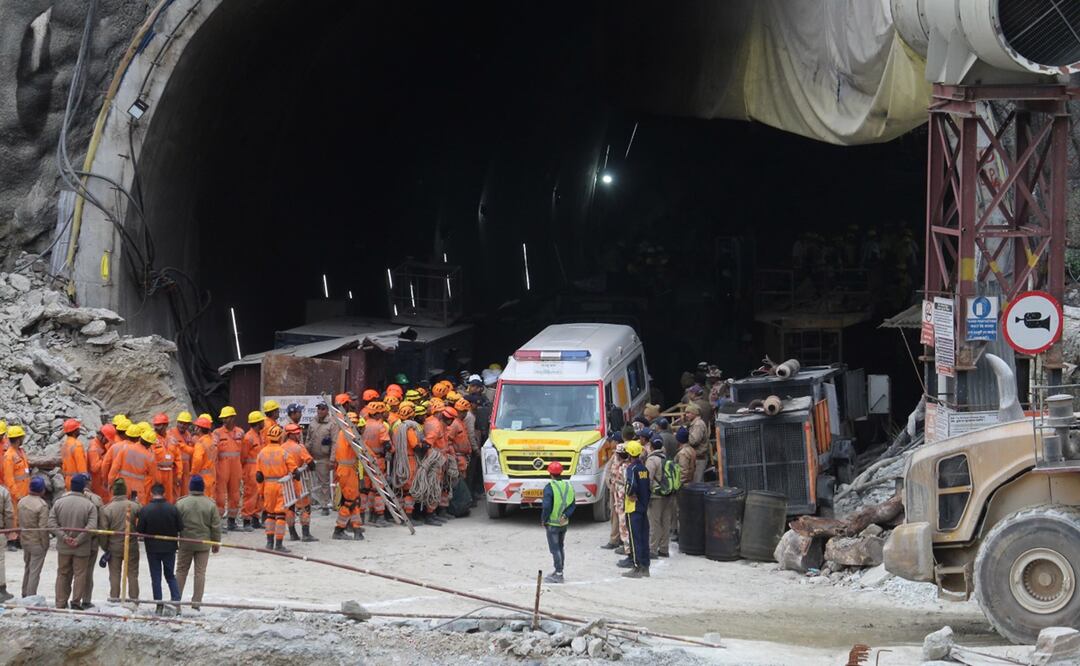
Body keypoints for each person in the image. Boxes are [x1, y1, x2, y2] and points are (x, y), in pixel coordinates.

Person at [48, 473, 98, 609]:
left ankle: (60, 602)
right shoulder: (89, 505)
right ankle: (76, 602)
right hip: (82, 548)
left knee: (63, 574)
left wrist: (64, 537)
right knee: (80, 575)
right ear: (84, 488)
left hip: (64, 547)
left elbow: (51, 523)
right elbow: (92, 527)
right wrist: (78, 539)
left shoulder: (59, 502)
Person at [175, 474, 221, 611]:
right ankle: (196, 604)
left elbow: (175, 524)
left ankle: (176, 601)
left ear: (190, 487)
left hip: (185, 542)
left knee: (181, 571)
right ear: (203, 488)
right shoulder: (210, 504)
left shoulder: (181, 503)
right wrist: (216, 543)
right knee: (200, 573)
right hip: (203, 544)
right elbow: (216, 526)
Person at [136, 483, 182, 616]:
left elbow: (140, 530)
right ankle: (176, 602)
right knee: (170, 576)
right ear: (164, 493)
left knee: (155, 577)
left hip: (152, 549)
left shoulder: (146, 510)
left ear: (151, 493)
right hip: (170, 548)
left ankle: (159, 605)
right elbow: (180, 527)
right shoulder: (172, 509)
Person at [97, 478, 140, 603]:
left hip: (114, 546)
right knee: (132, 574)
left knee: (114, 574)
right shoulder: (134, 506)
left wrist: (106, 547)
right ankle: (134, 600)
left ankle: (114, 599)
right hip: (131, 545)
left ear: (113, 492)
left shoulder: (107, 509)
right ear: (125, 491)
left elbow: (103, 532)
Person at [255, 424, 297, 552]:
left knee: (270, 515)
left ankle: (269, 543)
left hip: (268, 486)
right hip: (281, 485)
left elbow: (258, 475)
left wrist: (261, 491)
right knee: (280, 515)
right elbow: (294, 469)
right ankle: (278, 544)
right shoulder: (284, 452)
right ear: (280, 437)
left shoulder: (261, 453)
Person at [540, 461, 575, 584]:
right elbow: (572, 505)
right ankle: (559, 571)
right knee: (560, 547)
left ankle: (559, 573)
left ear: (550, 473)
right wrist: (565, 515)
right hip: (563, 523)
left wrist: (544, 519)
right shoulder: (569, 486)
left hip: (553, 524)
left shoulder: (549, 487)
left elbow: (547, 506)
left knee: (555, 549)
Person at [620, 441, 651, 578]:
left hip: (633, 508)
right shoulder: (644, 469)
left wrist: (629, 493)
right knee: (643, 537)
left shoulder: (631, 469)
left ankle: (637, 567)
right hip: (643, 507)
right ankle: (645, 566)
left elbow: (631, 485)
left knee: (634, 538)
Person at [282, 423, 318, 542]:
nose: (299, 435)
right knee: (305, 507)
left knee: (290, 507)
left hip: (286, 483)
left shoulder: (281, 447)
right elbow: (311, 464)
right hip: (299, 481)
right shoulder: (299, 448)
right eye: (297, 433)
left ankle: (292, 533)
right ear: (291, 435)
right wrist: (309, 467)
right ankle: (306, 534)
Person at [333, 413, 366, 540]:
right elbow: (362, 448)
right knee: (350, 501)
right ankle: (340, 529)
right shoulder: (349, 433)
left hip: (347, 470)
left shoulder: (344, 432)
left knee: (353, 501)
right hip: (347, 471)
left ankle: (355, 527)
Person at [212, 407, 244, 531]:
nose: (224, 420)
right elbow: (213, 450)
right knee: (220, 495)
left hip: (236, 467)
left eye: (227, 417)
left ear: (233, 417)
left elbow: (244, 452)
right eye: (223, 418)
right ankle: (218, 523)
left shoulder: (240, 432)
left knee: (235, 495)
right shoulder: (217, 433)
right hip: (222, 467)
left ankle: (232, 521)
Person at [18, 476, 49, 598]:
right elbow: (43, 528)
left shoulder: (22, 501)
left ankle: (24, 593)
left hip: (25, 539)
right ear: (42, 490)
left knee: (27, 568)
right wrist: (45, 544)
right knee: (35, 571)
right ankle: (31, 596)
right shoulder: (42, 505)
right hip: (37, 542)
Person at [645, 436, 675, 558]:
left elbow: (648, 479)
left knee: (655, 522)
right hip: (668, 494)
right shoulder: (666, 458)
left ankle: (652, 549)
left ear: (651, 446)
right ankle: (664, 548)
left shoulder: (652, 460)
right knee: (665, 521)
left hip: (656, 495)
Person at [77, 473, 104, 609]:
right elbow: (102, 523)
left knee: (68, 572)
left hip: (71, 540)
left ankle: (64, 600)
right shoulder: (96, 499)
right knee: (87, 573)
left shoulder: (65, 499)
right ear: (88, 483)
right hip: (91, 541)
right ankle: (85, 600)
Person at [3, 426, 31, 552]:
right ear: (19, 439)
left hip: (24, 491)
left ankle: (19, 539)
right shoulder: (9, 456)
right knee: (13, 517)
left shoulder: (20, 451)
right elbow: (9, 479)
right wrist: (16, 494)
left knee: (21, 517)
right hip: (16, 493)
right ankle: (12, 541)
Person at [304, 401, 334, 516]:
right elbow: (308, 438)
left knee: (324, 482)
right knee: (312, 481)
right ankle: (314, 502)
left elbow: (335, 442)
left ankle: (324, 505)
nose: (320, 411)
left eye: (322, 409)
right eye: (318, 409)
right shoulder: (313, 422)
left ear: (327, 410)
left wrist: (332, 459)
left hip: (324, 457)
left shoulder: (332, 424)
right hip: (312, 456)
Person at [241, 411, 265, 531]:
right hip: (251, 469)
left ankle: (256, 519)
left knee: (259, 495)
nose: (263, 423)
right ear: (257, 423)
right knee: (250, 495)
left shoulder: (259, 435)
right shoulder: (249, 437)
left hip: (258, 468)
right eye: (262, 421)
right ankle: (246, 520)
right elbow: (243, 456)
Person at [150, 415, 182, 504]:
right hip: (157, 472)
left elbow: (178, 459)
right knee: (156, 496)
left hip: (170, 473)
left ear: (166, 425)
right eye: (155, 425)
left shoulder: (172, 439)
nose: (156, 428)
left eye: (159, 425)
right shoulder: (151, 439)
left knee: (169, 497)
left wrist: (179, 474)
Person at [190, 416, 218, 501]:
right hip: (211, 476)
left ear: (199, 429)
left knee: (202, 500)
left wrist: (193, 473)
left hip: (202, 478)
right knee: (210, 500)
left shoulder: (200, 443)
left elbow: (197, 459)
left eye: (196, 426)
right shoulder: (211, 442)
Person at [167, 412, 195, 498]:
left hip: (186, 467)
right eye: (180, 423)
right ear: (177, 422)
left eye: (185, 424)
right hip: (175, 467)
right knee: (175, 490)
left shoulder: (188, 435)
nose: (182, 425)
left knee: (185, 490)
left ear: (188, 425)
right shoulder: (170, 434)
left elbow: (191, 453)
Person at [88, 424, 117, 502]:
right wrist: (105, 457)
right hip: (97, 483)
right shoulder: (94, 448)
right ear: (102, 436)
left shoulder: (100, 444)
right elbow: (94, 468)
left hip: (101, 481)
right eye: (107, 439)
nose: (107, 442)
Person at [684, 403, 709, 483]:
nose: (686, 415)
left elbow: (694, 441)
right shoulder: (694, 424)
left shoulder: (698, 424)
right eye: (686, 413)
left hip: (699, 458)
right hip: (696, 458)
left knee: (697, 483)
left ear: (695, 413)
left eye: (688, 413)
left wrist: (685, 435)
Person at [60, 419, 88, 490]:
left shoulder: (64, 445)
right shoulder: (77, 445)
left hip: (68, 480)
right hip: (77, 482)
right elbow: (81, 466)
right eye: (78, 429)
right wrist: (85, 480)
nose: (79, 430)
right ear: (74, 432)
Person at [0, 477, 12, 601]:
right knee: (0, 560)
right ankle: (1, 590)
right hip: (0, 530)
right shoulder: (3, 492)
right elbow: (8, 513)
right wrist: (9, 530)